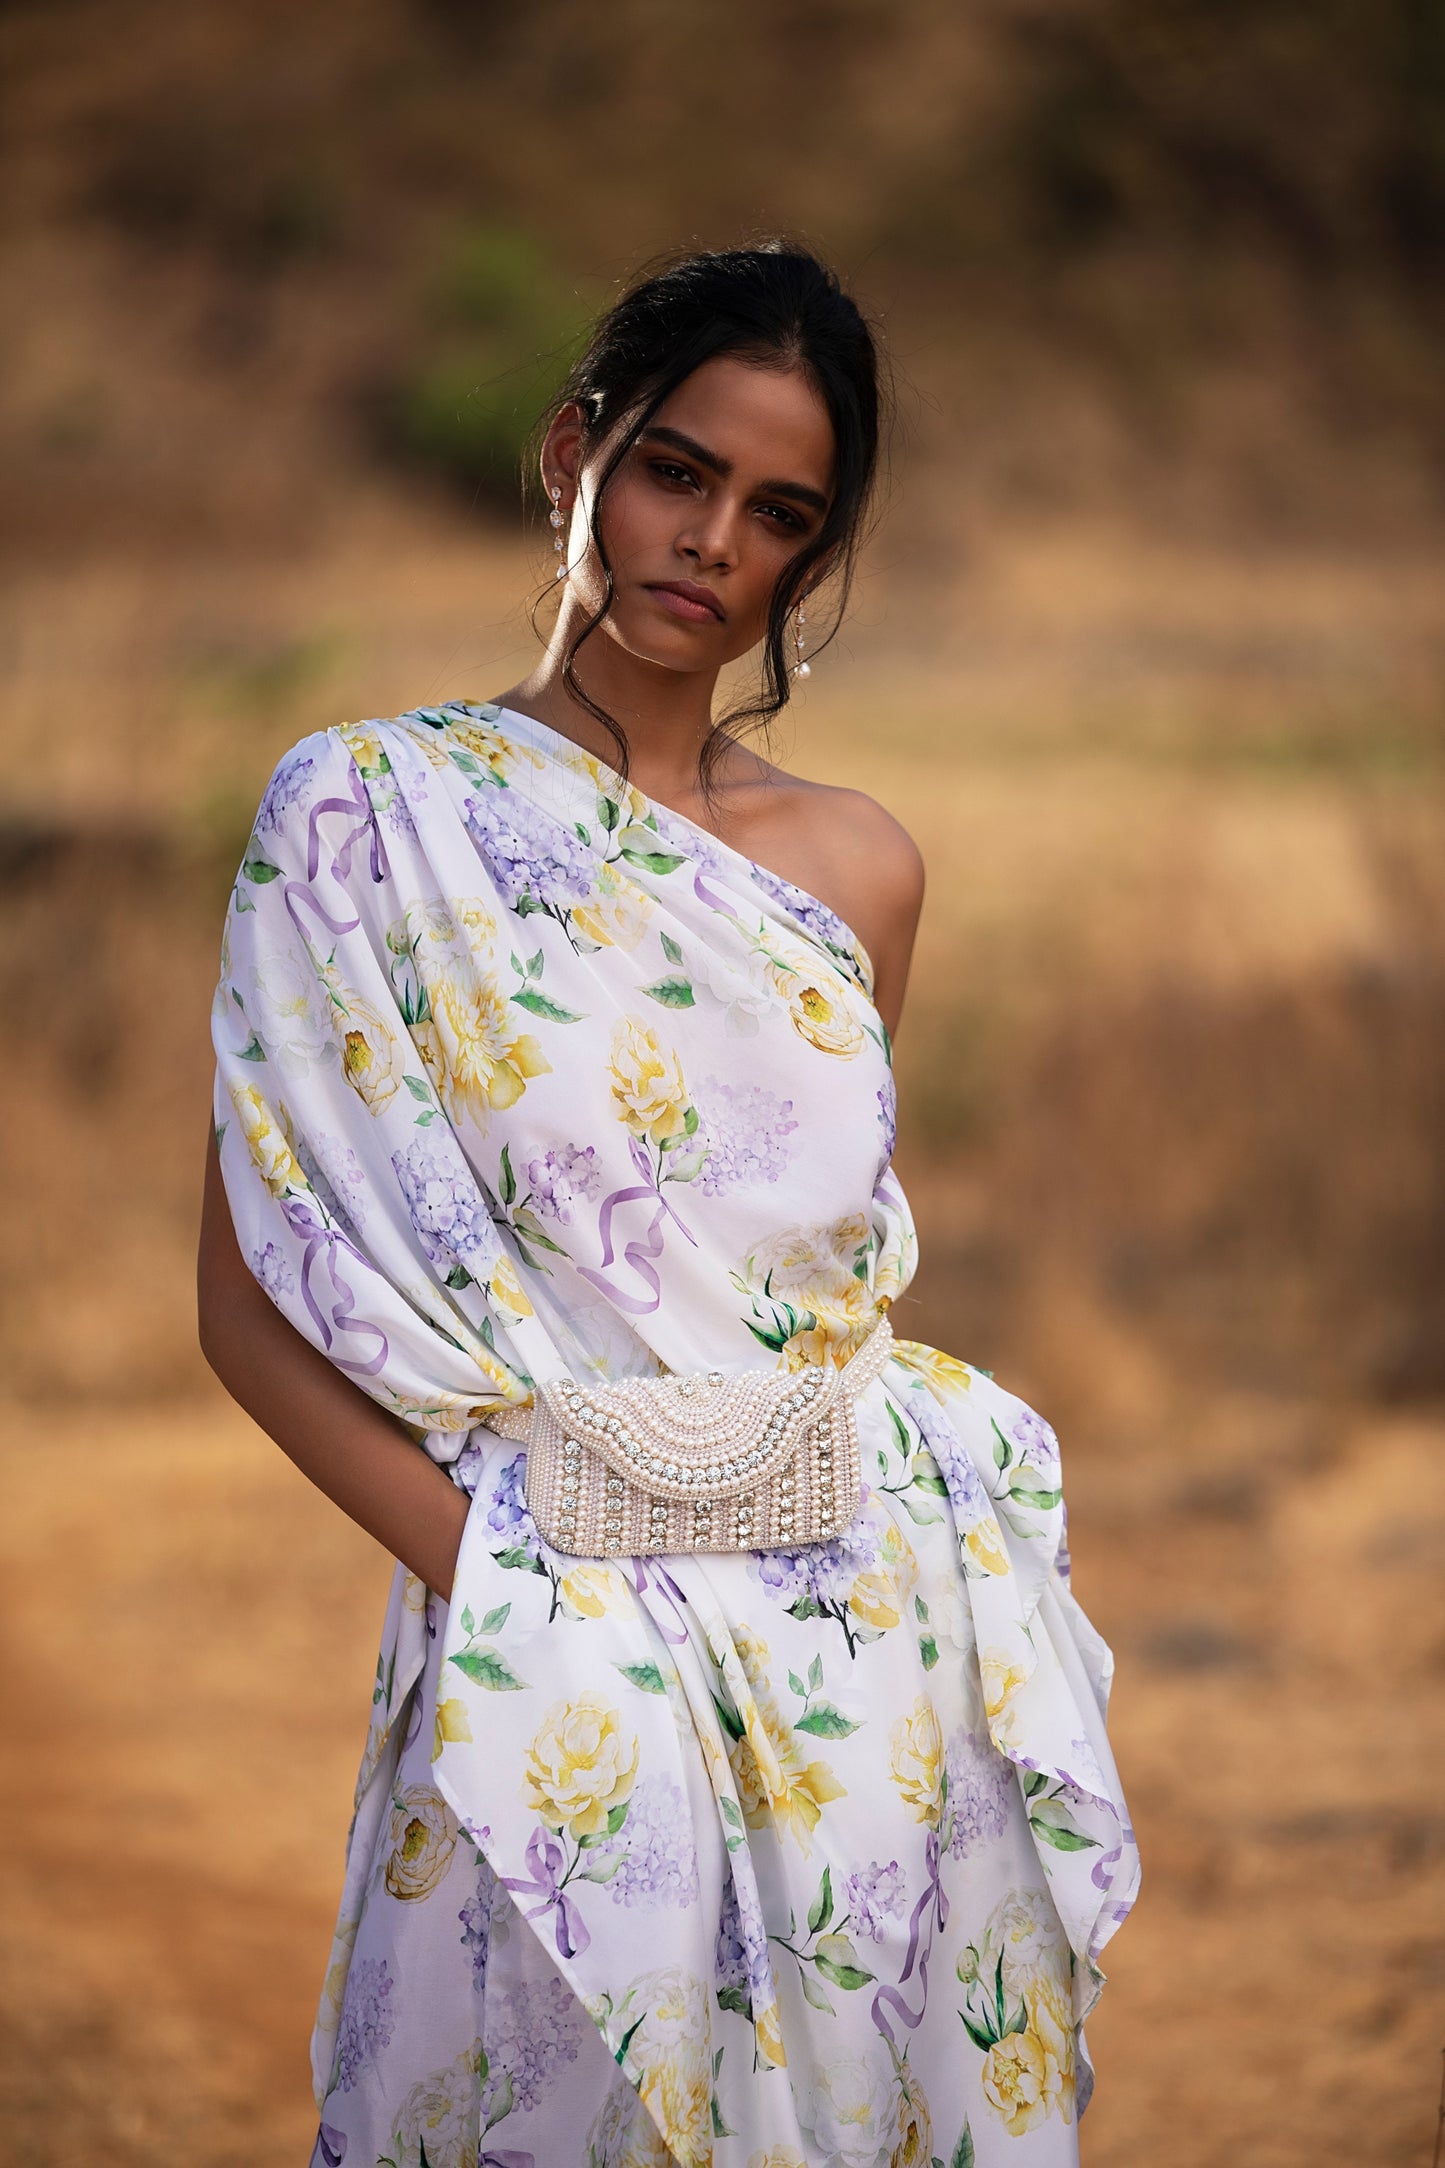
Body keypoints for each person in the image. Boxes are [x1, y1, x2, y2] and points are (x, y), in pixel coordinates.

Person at [197, 242, 1137, 2168]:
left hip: (866, 1639)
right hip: (554, 1642)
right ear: (575, 458)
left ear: (814, 558)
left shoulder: (859, 870)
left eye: (777, 514)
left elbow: (805, 1283)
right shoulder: (364, 811)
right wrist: (538, 1617)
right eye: (675, 473)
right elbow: (247, 1305)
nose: (709, 541)